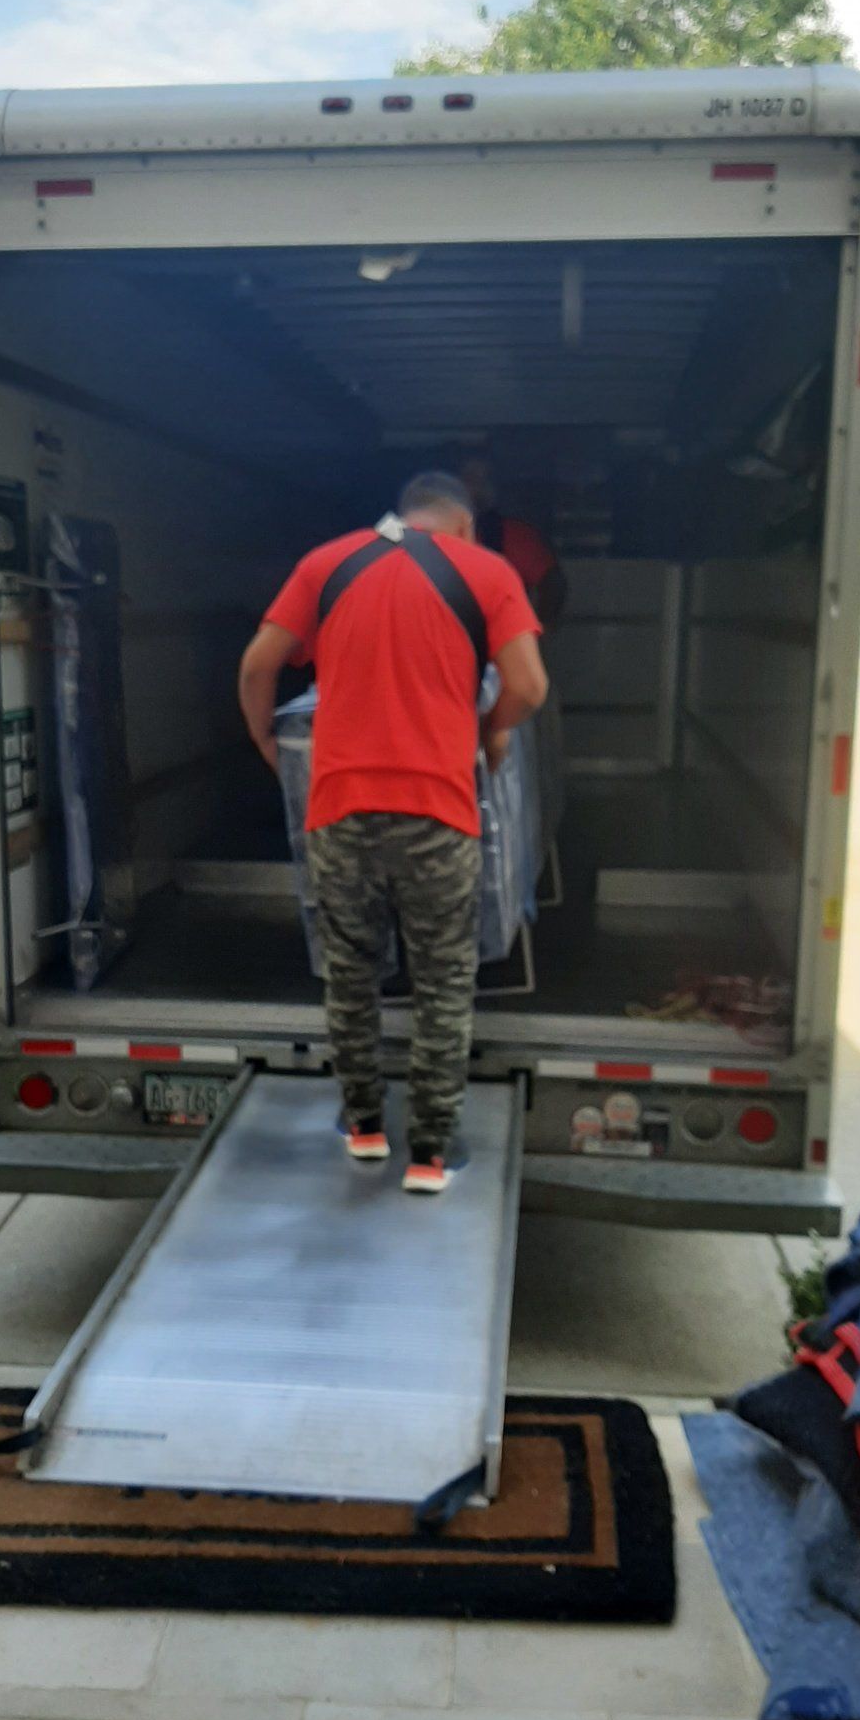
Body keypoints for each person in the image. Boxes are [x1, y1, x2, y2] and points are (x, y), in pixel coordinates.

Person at [238, 471, 548, 1195]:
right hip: (438, 813)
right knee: (443, 983)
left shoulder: (329, 563)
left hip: (339, 812)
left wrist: (262, 739)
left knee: (351, 977)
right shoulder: (486, 571)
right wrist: (493, 733)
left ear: (405, 512)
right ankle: (432, 1154)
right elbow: (529, 687)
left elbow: (258, 664)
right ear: (464, 524)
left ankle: (366, 1127)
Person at [458, 451, 567, 628]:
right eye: (470, 479)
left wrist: (535, 633)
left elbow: (553, 584)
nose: (477, 488)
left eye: (484, 479)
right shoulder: (432, 537)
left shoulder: (514, 535)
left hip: (497, 645)